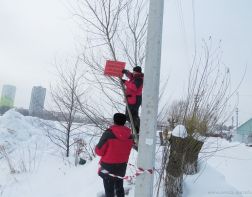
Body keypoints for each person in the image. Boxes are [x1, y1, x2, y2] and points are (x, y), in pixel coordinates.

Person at [95, 113, 133, 197]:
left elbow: (99, 151)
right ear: (124, 122)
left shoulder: (108, 133)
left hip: (108, 167)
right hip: (122, 166)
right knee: (119, 187)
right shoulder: (130, 136)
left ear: (114, 120)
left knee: (109, 190)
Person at [121, 66, 144, 133]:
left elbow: (134, 87)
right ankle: (136, 129)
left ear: (137, 72)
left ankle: (137, 128)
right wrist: (125, 71)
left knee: (129, 116)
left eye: (134, 71)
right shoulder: (136, 76)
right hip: (132, 99)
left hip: (134, 100)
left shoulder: (139, 79)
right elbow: (130, 75)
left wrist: (125, 82)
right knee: (132, 115)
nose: (133, 73)